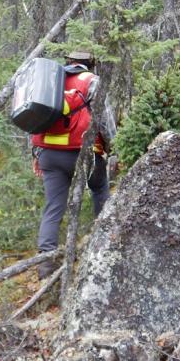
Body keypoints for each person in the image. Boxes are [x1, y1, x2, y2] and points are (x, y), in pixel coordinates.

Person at [32, 50, 113, 279]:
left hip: (49, 153)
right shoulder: (92, 81)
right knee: (99, 190)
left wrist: (37, 153)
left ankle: (45, 266)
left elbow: (37, 116)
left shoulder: (51, 80)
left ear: (69, 63)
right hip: (83, 152)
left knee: (53, 207)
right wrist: (112, 148)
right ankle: (104, 247)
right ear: (90, 65)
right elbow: (105, 119)